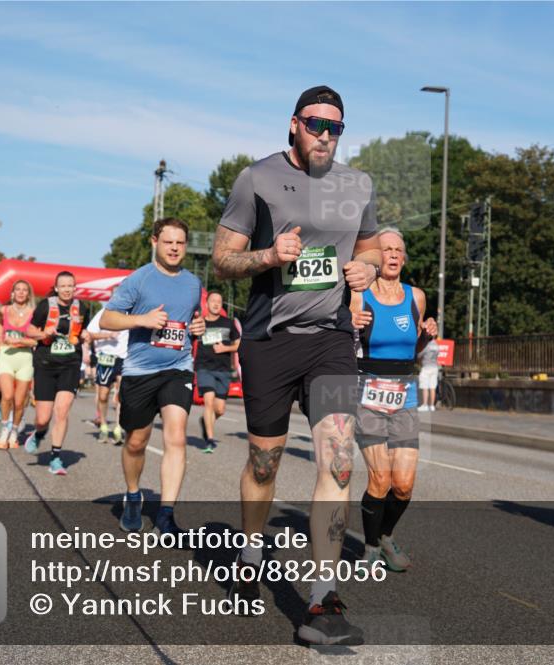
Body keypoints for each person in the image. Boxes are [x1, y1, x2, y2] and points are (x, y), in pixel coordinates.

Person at [212, 85, 381, 645]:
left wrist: (366, 268)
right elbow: (222, 260)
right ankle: (250, 552)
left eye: (336, 127)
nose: (325, 135)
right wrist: (268, 255)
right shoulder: (256, 178)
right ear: (293, 124)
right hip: (270, 339)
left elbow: (370, 246)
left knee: (338, 460)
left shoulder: (357, 185)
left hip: (331, 340)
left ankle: (321, 596)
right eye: (315, 124)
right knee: (265, 463)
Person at [100, 218, 205, 536]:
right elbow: (107, 319)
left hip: (178, 367)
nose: (174, 248)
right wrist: (142, 320)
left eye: (180, 243)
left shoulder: (193, 283)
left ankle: (166, 515)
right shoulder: (139, 279)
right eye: (168, 242)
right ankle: (133, 496)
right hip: (140, 371)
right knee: (136, 442)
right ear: (154, 242)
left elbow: (191, 321)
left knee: (176, 437)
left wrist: (198, 328)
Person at [350, 228, 437, 573]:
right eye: (387, 249)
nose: (394, 255)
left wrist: (426, 337)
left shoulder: (416, 297)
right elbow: (341, 340)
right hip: (366, 392)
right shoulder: (359, 294)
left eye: (399, 250)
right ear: (375, 257)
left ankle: (385, 536)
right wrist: (349, 324)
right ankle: (370, 548)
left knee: (403, 486)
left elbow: (414, 351)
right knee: (380, 479)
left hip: (405, 395)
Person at [23, 272, 85, 475]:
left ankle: (55, 457)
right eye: (63, 286)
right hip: (46, 364)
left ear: (74, 288)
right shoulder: (45, 306)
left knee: (62, 411)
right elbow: (29, 330)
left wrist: (86, 335)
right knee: (42, 418)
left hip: (70, 364)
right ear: (57, 288)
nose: (67, 289)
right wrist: (44, 333)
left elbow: (83, 331)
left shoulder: (81, 307)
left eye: (70, 286)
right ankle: (39, 433)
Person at [194, 290, 240, 453]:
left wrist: (225, 348)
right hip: (204, 367)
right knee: (208, 401)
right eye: (213, 301)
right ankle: (210, 440)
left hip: (223, 370)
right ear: (207, 304)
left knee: (219, 409)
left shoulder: (228, 323)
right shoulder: (200, 323)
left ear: (222, 305)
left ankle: (205, 421)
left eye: (219, 302)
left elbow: (239, 344)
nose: (216, 304)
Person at [0, 280, 36, 450]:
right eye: (17, 289)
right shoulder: (3, 310)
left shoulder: (34, 313)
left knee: (19, 403)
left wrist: (20, 341)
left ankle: (14, 431)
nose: (20, 292)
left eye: (24, 290)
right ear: (12, 293)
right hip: (6, 357)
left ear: (28, 294)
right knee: (7, 395)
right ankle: (4, 430)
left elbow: (37, 340)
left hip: (25, 358)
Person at [87, 306, 129, 444]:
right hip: (106, 358)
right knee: (103, 396)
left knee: (122, 395)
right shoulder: (104, 312)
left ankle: (118, 428)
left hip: (124, 358)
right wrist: (108, 335)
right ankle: (104, 426)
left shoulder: (131, 313)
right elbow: (89, 333)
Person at [417, 338, 440, 412]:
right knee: (433, 388)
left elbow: (419, 355)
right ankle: (432, 406)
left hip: (426, 368)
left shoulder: (427, 346)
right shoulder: (437, 346)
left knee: (425, 387)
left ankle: (425, 405)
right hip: (434, 367)